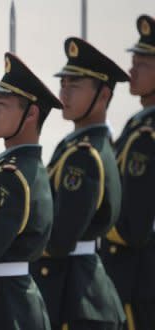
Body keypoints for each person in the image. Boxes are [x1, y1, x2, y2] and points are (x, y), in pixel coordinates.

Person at [30, 37, 128, 329]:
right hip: (76, 288)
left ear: (102, 95)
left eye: (75, 86)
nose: (64, 93)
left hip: (74, 293)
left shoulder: (83, 156)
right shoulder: (83, 145)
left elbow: (60, 237)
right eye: (63, 84)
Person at [0, 52, 61, 330]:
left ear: (31, 113)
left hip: (4, 308)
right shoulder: (17, 167)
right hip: (11, 301)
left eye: (2, 104)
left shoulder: (13, 176)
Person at [100, 14, 155, 330]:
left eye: (143, 63)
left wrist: (91, 225)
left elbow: (133, 225)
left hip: (139, 275)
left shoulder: (147, 137)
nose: (132, 69)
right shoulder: (139, 125)